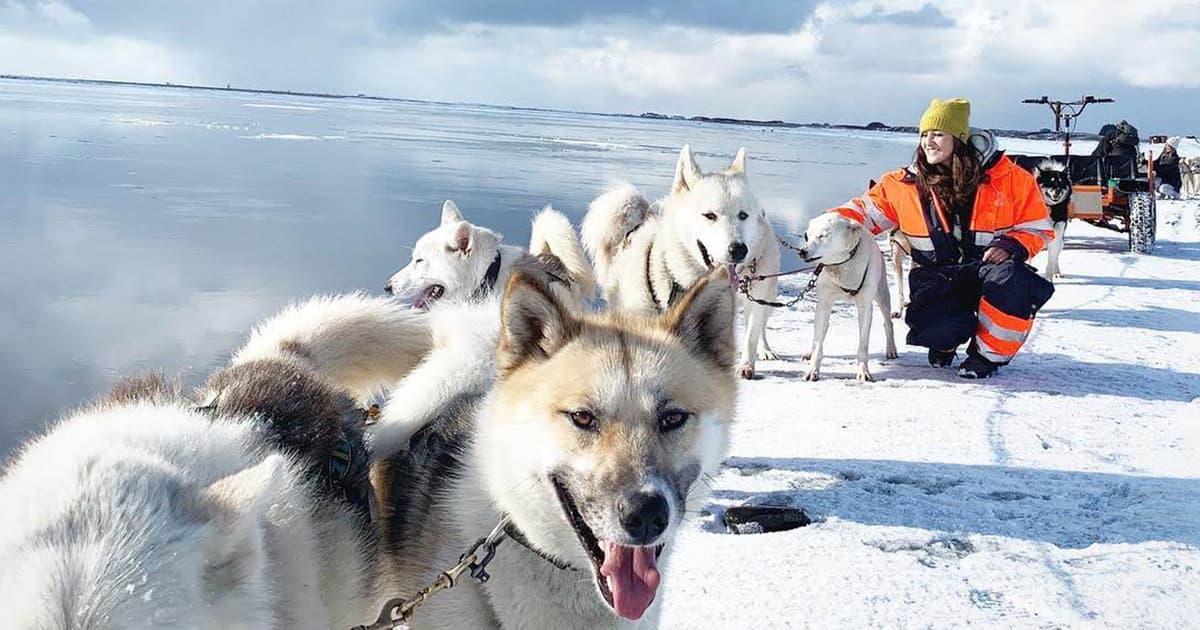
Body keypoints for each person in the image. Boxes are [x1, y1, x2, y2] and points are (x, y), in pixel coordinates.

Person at [827, 98, 1055, 379]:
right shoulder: (903, 184)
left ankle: (985, 357)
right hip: (939, 279)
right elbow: (863, 213)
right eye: (924, 134)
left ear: (958, 139)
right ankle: (945, 345)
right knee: (936, 331)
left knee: (1013, 280)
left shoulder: (1011, 178)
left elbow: (1038, 228)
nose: (928, 142)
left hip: (989, 273)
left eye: (937, 134)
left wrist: (1011, 245)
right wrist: (827, 227)